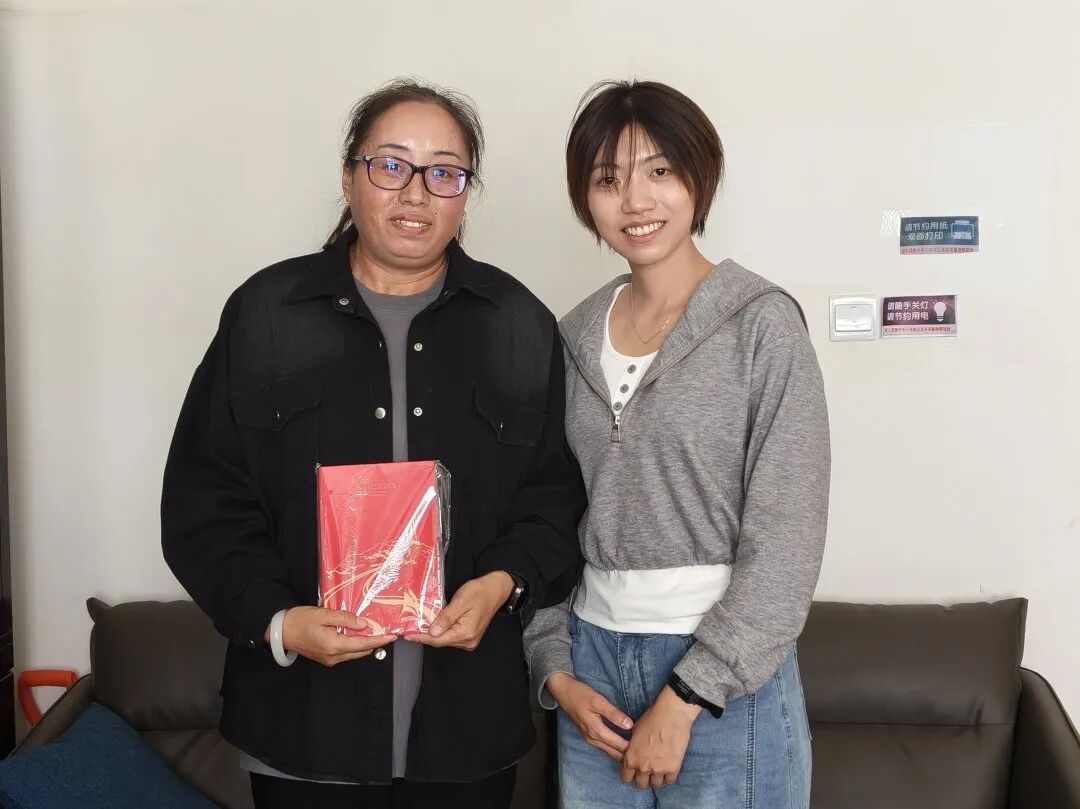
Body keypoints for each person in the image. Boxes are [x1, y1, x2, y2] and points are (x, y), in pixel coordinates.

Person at [162, 78, 585, 809]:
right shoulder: (265, 316)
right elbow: (204, 503)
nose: (416, 192)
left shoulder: (519, 325)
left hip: (465, 730)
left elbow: (554, 499)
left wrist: (502, 583)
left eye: (444, 172)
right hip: (302, 728)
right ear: (348, 178)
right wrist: (280, 621)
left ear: (466, 193)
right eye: (391, 165)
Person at [524, 80, 831, 809]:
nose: (636, 200)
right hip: (592, 672)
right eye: (608, 180)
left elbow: (788, 535)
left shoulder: (761, 324)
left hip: (727, 679)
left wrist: (691, 692)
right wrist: (556, 668)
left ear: (700, 175)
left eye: (659, 171)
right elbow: (541, 510)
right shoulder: (569, 336)